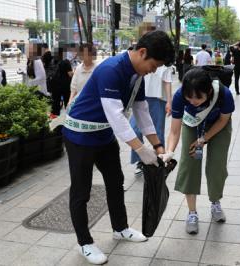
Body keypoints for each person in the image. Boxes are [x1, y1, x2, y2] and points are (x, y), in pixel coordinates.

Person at [62, 30, 174, 265]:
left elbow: (142, 112)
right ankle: (85, 243)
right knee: (81, 191)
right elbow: (116, 116)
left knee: (116, 181)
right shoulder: (111, 69)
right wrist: (141, 150)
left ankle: (120, 228)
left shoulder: (137, 74)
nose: (154, 70)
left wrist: (159, 146)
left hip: (102, 135)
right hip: (80, 136)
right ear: (142, 52)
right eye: (154, 65)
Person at [159, 68, 235, 235]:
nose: (193, 101)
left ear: (208, 91)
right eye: (189, 97)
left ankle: (215, 203)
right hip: (192, 124)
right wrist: (169, 151)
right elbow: (174, 131)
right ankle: (192, 213)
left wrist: (203, 139)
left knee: (217, 165)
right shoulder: (179, 96)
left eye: (198, 97)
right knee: (189, 165)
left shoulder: (224, 94)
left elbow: (223, 120)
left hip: (218, 127)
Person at [130, 63, 173, 177]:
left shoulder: (164, 63)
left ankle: (160, 161)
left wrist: (169, 101)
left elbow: (167, 82)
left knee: (158, 132)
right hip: (140, 97)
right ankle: (140, 160)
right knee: (135, 130)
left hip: (159, 99)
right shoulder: (145, 59)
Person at [50, 47, 74, 118]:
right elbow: (70, 74)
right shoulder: (66, 61)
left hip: (55, 85)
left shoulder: (53, 61)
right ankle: (69, 116)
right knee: (67, 101)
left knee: (55, 101)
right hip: (65, 85)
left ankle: (54, 116)